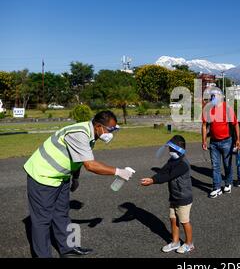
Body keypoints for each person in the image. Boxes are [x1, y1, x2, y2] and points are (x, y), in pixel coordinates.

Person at [23, 110, 136, 258]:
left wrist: (75, 177)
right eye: (110, 129)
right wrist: (118, 172)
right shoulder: (79, 133)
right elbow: (90, 165)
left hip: (61, 177)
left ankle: (68, 248)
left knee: (62, 214)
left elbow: (77, 158)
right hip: (42, 175)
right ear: (98, 126)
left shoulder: (91, 134)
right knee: (42, 220)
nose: (112, 133)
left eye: (114, 129)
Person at [140, 135, 194, 254]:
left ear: (177, 149)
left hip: (183, 198)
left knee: (184, 221)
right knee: (173, 219)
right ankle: (175, 242)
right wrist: (152, 178)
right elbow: (163, 171)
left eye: (171, 149)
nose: (169, 151)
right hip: (174, 196)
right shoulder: (172, 160)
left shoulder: (183, 164)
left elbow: (168, 176)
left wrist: (153, 181)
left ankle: (189, 244)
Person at [202, 90, 240, 199]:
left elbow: (235, 124)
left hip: (226, 141)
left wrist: (238, 140)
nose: (212, 98)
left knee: (227, 164)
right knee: (215, 166)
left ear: (220, 97)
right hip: (213, 143)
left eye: (214, 96)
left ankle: (228, 184)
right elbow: (204, 125)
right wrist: (204, 140)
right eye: (211, 96)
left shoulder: (227, 108)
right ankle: (217, 188)